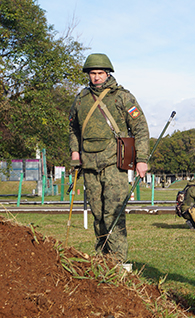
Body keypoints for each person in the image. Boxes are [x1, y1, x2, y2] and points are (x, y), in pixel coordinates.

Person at [69, 53, 150, 262]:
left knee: (113, 212)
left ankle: (117, 258)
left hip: (115, 163)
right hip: (88, 163)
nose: (96, 77)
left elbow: (140, 128)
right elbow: (73, 128)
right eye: (92, 73)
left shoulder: (123, 97)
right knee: (97, 212)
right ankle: (102, 255)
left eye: (100, 73)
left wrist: (142, 159)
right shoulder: (81, 99)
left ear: (108, 73)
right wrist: (75, 152)